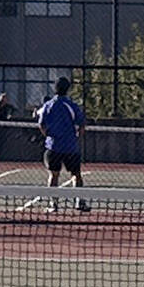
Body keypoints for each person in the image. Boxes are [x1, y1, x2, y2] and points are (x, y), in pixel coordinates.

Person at [36, 76, 90, 212]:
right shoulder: (71, 105)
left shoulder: (48, 105)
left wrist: (48, 136)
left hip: (54, 146)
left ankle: (53, 204)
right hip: (70, 147)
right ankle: (79, 201)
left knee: (54, 175)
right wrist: (77, 137)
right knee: (76, 174)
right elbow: (82, 124)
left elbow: (41, 125)